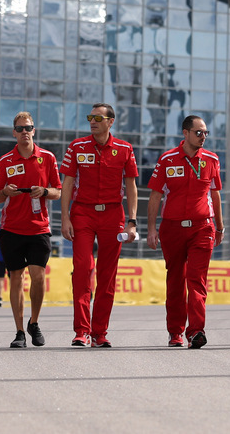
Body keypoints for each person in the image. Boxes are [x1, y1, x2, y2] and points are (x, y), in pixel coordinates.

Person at [60, 103, 139, 348]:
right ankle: (81, 331)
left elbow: (132, 187)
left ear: (110, 121)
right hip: (82, 213)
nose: (92, 121)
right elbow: (68, 184)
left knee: (107, 275)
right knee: (83, 269)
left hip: (113, 215)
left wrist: (132, 223)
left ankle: (99, 332)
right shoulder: (76, 147)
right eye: (90, 117)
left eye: (98, 117)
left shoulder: (125, 149)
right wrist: (64, 218)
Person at [146, 115, 223, 349]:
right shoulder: (167, 159)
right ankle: (176, 332)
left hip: (202, 227)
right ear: (185, 133)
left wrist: (219, 226)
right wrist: (151, 229)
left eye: (205, 133)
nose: (203, 137)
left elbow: (215, 193)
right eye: (198, 132)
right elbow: (156, 195)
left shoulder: (211, 159)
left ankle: (196, 331)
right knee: (176, 280)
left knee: (197, 280)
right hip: (172, 228)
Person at [0, 111, 62, 349]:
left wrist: (43, 191)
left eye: (28, 128)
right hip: (11, 228)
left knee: (38, 277)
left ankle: (35, 322)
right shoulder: (5, 161)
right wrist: (5, 192)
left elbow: (58, 191)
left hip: (39, 228)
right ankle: (20, 331)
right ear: (14, 133)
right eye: (20, 129)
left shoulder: (48, 157)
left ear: (34, 130)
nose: (24, 132)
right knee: (15, 278)